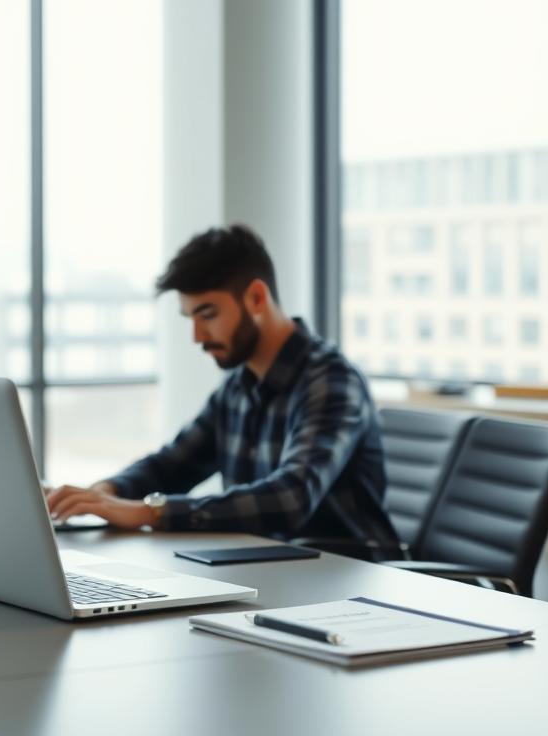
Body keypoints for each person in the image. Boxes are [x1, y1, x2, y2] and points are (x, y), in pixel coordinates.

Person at [46, 224, 398, 547]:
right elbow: (173, 464)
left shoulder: (332, 381)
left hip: (348, 579)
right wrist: (102, 494)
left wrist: (147, 512)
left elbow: (291, 497)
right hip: (265, 566)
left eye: (208, 314)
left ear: (257, 299)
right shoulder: (237, 387)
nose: (197, 336)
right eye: (191, 318)